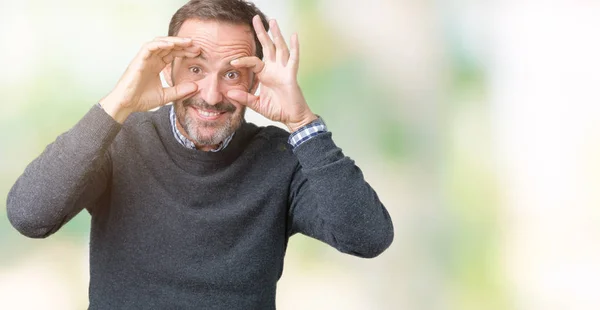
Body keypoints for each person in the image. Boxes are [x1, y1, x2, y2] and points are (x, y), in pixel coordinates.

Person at [6, 0, 394, 308]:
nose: (210, 96)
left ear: (255, 80)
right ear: (167, 72)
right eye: (195, 68)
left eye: (231, 74)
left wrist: (301, 121)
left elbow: (368, 237)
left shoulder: (282, 158)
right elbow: (30, 215)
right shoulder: (117, 143)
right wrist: (118, 105)